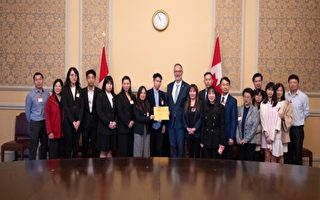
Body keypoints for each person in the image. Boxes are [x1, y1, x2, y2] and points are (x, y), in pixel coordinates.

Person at [167, 63, 190, 157]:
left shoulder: (187, 87)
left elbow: (188, 104)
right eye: (175, 71)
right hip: (171, 122)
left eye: (179, 71)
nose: (177, 73)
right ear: (173, 72)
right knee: (172, 146)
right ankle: (172, 169)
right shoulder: (169, 86)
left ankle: (180, 169)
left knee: (181, 147)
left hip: (181, 123)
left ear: (182, 72)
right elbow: (168, 102)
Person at [25, 72, 50, 160]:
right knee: (33, 146)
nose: (38, 81)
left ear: (43, 80)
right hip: (35, 123)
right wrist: (32, 122)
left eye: (40, 79)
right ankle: (31, 167)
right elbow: (27, 112)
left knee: (44, 146)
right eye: (36, 80)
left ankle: (42, 166)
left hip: (44, 123)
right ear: (34, 82)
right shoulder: (30, 95)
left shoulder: (47, 94)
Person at [285, 74, 309, 165]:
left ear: (298, 84)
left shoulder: (303, 96)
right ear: (288, 84)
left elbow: (306, 112)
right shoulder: (285, 95)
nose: (292, 84)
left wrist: (300, 121)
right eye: (290, 82)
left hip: (298, 129)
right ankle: (288, 176)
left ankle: (299, 177)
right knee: (288, 153)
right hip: (287, 129)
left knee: (298, 152)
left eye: (294, 82)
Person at [62, 67, 84, 158]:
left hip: (78, 123)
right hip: (68, 122)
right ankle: (68, 170)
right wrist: (73, 122)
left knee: (76, 147)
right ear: (68, 76)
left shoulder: (80, 89)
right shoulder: (64, 89)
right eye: (72, 75)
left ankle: (75, 169)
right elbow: (65, 107)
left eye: (75, 75)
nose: (74, 77)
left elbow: (82, 107)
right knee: (68, 147)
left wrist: (78, 121)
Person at [81, 69, 101, 158]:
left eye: (93, 78)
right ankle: (84, 166)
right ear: (86, 79)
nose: (91, 80)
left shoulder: (99, 92)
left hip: (95, 123)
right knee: (84, 145)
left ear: (95, 79)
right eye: (89, 78)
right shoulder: (81, 91)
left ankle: (96, 166)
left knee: (95, 145)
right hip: (85, 123)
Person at [200, 86, 225, 159]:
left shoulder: (221, 107)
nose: (211, 95)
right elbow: (203, 125)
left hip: (216, 140)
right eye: (209, 93)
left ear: (216, 95)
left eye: (213, 93)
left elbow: (222, 125)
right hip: (206, 138)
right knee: (206, 164)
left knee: (215, 163)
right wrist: (202, 141)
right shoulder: (204, 106)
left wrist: (222, 142)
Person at [260, 82, 282, 162]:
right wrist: (266, 135)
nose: (270, 92)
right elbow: (262, 119)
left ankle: (273, 175)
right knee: (266, 156)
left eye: (272, 90)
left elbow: (278, 120)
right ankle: (266, 175)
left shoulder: (278, 104)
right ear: (266, 91)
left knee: (273, 157)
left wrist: (274, 135)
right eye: (268, 89)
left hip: (274, 135)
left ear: (274, 92)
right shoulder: (262, 104)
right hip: (266, 134)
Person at [96, 76, 117, 158]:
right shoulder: (100, 95)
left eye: (111, 84)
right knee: (103, 152)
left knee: (110, 152)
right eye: (108, 83)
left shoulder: (114, 96)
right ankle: (102, 170)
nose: (109, 85)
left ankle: (110, 171)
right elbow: (99, 112)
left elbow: (116, 112)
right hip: (103, 128)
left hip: (113, 128)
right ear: (104, 84)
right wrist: (108, 123)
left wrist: (115, 122)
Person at [236, 88, 259, 161]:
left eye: (248, 97)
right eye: (244, 96)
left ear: (252, 98)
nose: (246, 99)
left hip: (250, 142)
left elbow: (254, 128)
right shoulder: (239, 109)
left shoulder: (255, 110)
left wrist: (245, 139)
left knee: (249, 165)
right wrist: (238, 138)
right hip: (240, 141)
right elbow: (237, 125)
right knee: (240, 163)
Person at [147, 73, 167, 157]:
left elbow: (165, 109)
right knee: (151, 147)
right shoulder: (148, 93)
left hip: (159, 124)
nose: (158, 83)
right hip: (151, 124)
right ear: (153, 81)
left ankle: (158, 167)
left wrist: (164, 125)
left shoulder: (163, 94)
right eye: (157, 81)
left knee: (159, 147)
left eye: (160, 81)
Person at [116, 76, 136, 157]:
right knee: (123, 152)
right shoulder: (119, 96)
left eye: (128, 83)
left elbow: (136, 111)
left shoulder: (133, 96)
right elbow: (119, 112)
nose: (126, 85)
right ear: (122, 84)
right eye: (124, 83)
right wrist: (128, 123)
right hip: (123, 129)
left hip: (132, 128)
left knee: (130, 152)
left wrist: (133, 121)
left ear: (130, 84)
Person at [219, 77, 237, 160]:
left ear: (229, 86)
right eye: (223, 85)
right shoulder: (216, 99)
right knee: (218, 161)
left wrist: (232, 137)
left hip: (228, 136)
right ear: (220, 86)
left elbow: (234, 120)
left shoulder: (233, 101)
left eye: (227, 85)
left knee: (228, 162)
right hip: (218, 136)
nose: (225, 87)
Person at [45, 79, 64, 159]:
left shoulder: (65, 99)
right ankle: (53, 172)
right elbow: (47, 116)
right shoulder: (50, 100)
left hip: (63, 133)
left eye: (59, 86)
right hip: (53, 132)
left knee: (62, 156)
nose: (57, 88)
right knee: (53, 158)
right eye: (56, 86)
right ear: (53, 87)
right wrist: (49, 132)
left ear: (62, 88)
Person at [275, 83, 293, 164]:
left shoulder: (287, 103)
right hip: (273, 133)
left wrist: (283, 117)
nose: (279, 92)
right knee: (273, 154)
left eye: (281, 90)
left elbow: (290, 118)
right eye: (277, 90)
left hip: (283, 133)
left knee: (281, 155)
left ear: (283, 92)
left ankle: (281, 175)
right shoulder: (271, 102)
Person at [133, 86, 154, 157]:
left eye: (144, 93)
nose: (143, 94)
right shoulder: (135, 104)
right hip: (139, 131)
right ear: (139, 94)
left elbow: (151, 115)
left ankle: (146, 167)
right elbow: (138, 118)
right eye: (141, 93)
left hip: (147, 131)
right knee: (138, 152)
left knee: (146, 153)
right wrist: (149, 118)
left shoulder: (148, 103)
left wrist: (156, 117)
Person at [183, 84, 201, 158]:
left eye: (194, 91)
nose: (192, 93)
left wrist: (194, 128)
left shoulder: (200, 103)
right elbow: (183, 118)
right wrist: (187, 128)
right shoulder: (185, 103)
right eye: (190, 91)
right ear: (188, 92)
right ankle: (189, 169)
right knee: (189, 154)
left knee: (196, 154)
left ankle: (195, 169)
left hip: (196, 133)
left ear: (196, 93)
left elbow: (201, 118)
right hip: (188, 133)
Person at [252, 89, 265, 161]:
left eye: (260, 95)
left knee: (258, 159)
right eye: (257, 95)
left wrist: (254, 129)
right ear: (253, 96)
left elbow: (264, 124)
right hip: (250, 138)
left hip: (260, 137)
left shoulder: (264, 107)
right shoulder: (250, 106)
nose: (258, 97)